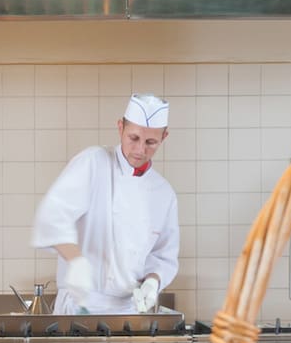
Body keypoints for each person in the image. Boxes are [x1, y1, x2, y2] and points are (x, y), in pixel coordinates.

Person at [32, 92, 181, 314]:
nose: (140, 150)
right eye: (134, 138)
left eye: (151, 142)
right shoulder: (93, 163)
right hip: (80, 305)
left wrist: (153, 282)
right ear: (120, 127)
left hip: (128, 311)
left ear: (164, 137)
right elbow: (52, 216)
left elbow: (163, 255)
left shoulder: (164, 193)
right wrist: (76, 261)